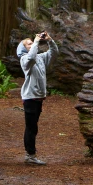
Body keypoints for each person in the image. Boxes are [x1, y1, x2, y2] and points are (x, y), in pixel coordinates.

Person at [16, 31, 58, 165]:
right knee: (31, 127)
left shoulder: (40, 57)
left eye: (31, 43)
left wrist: (50, 40)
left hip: (38, 97)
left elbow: (54, 53)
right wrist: (35, 41)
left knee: (33, 127)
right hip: (30, 98)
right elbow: (31, 57)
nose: (32, 44)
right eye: (28, 44)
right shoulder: (25, 60)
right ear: (23, 48)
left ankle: (30, 154)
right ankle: (30, 155)